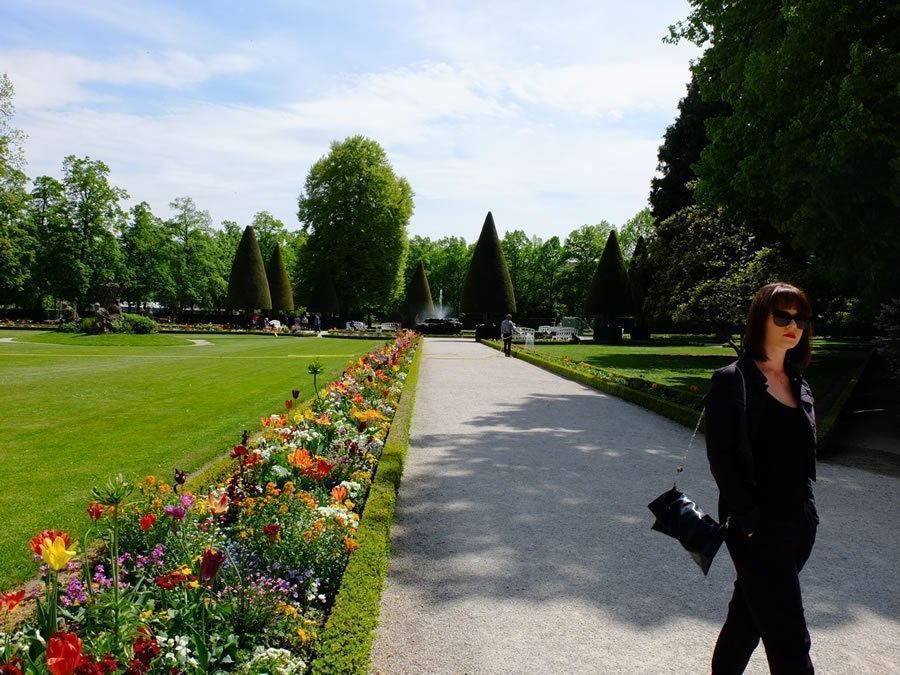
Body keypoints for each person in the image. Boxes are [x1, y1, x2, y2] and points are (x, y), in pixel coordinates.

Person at [705, 282, 818, 674]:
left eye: (800, 318)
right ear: (760, 320)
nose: (793, 325)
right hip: (755, 527)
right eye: (782, 316)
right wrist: (749, 519)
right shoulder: (731, 380)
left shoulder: (799, 382)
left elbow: (801, 458)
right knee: (790, 637)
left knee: (747, 620)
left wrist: (808, 516)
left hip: (797, 524)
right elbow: (721, 458)